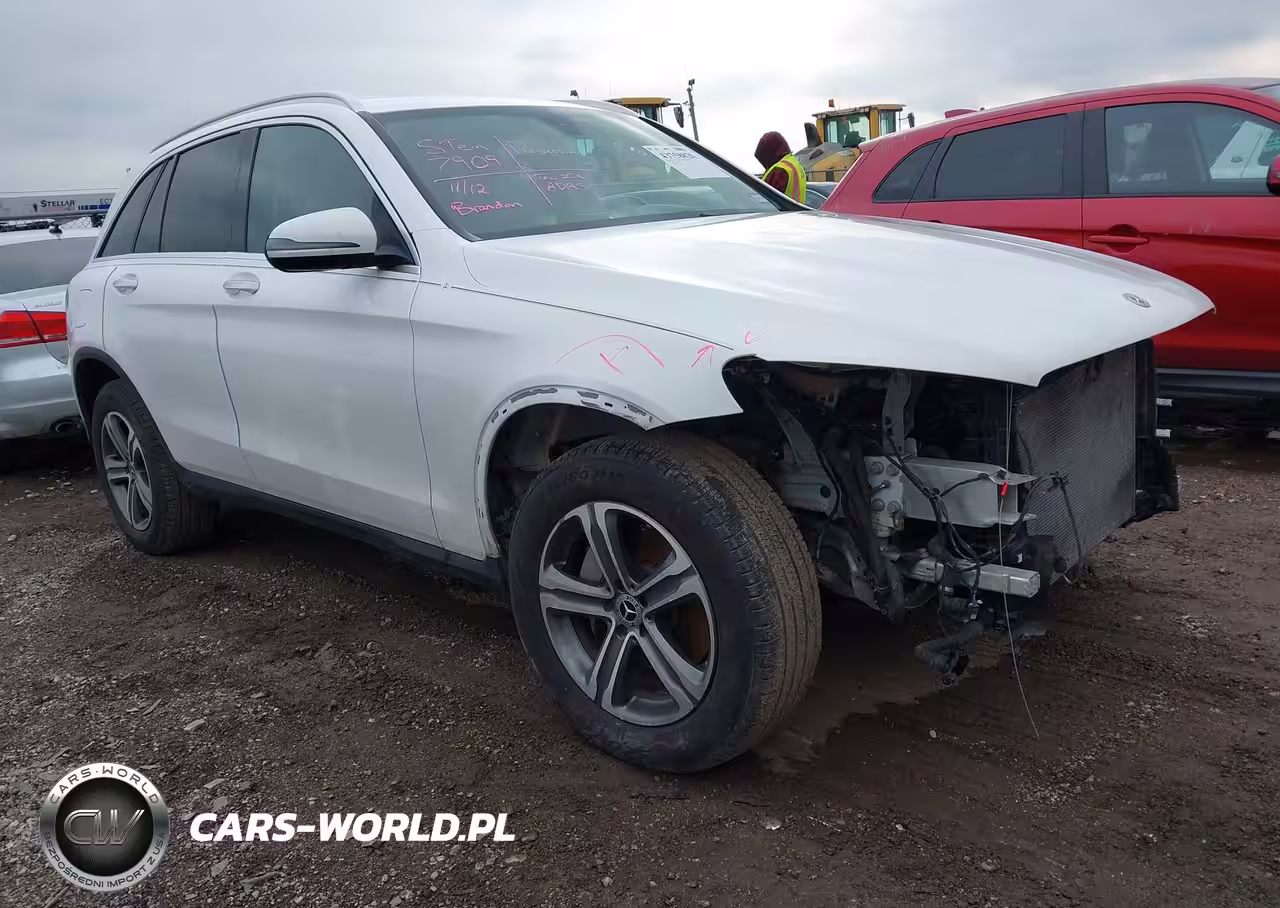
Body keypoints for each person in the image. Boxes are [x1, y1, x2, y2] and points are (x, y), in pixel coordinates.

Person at [755, 131, 806, 202]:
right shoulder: (794, 164)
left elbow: (766, 201)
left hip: (782, 212)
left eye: (765, 157)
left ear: (770, 152)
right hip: (796, 211)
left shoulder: (779, 170)